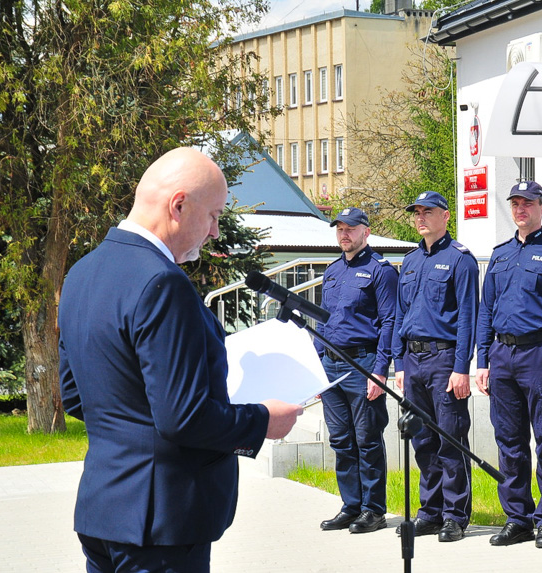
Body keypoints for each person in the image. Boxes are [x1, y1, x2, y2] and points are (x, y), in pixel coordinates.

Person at [58, 147, 303, 573]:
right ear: (179, 205)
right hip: (161, 524)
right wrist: (263, 420)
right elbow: (182, 418)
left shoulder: (81, 272)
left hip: (104, 512)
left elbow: (77, 397)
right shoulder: (162, 283)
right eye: (213, 215)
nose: (214, 231)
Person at [475, 181, 542, 549]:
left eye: (528, 204)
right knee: (509, 440)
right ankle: (517, 517)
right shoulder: (500, 255)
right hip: (502, 357)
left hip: (540, 357)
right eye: (515, 203)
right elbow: (485, 309)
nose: (520, 209)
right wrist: (482, 359)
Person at [392, 190, 479, 543]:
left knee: (449, 437)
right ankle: (430, 511)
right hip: (413, 360)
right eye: (417, 212)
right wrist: (399, 361)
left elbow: (468, 319)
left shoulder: (461, 260)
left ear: (446, 216)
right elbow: (400, 313)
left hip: (445, 360)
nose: (421, 217)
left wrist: (462, 367)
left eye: (429, 211)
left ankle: (455, 515)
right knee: (423, 438)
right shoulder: (410, 261)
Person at [315, 207, 398, 534]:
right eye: (340, 229)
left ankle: (373, 509)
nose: (344, 234)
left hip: (362, 364)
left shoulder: (380, 270)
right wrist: (317, 364)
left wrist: (380, 370)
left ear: (366, 231)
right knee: (341, 440)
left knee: (367, 439)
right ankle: (351, 505)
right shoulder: (333, 270)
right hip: (331, 364)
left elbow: (390, 321)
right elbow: (324, 318)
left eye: (351, 229)